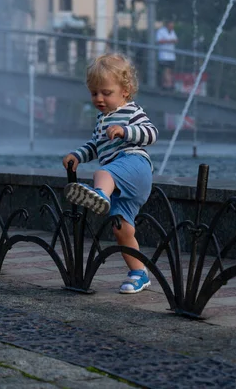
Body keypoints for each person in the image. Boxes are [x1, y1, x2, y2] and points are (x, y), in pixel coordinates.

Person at [62, 52, 158, 294]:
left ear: (124, 91)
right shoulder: (101, 120)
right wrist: (77, 155)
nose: (99, 98)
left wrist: (126, 132)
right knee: (121, 228)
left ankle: (100, 197)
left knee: (102, 173)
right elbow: (96, 146)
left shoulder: (132, 110)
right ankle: (138, 273)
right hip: (118, 180)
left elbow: (151, 133)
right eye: (94, 93)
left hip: (134, 165)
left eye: (106, 93)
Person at [156, 20, 178, 90]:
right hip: (164, 55)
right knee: (166, 70)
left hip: (171, 56)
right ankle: (168, 84)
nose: (172, 27)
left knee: (169, 71)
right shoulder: (161, 31)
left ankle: (165, 85)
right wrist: (169, 41)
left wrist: (169, 41)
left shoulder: (172, 32)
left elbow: (176, 40)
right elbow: (159, 41)